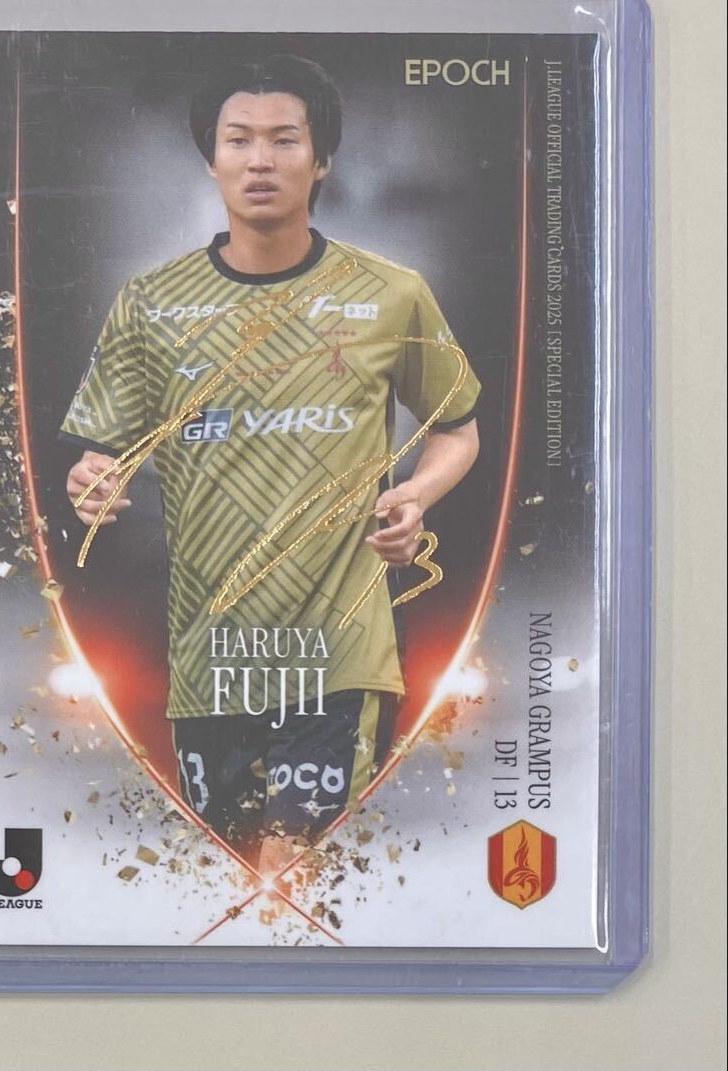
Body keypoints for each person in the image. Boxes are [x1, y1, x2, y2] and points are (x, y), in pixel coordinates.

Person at [60, 55, 480, 881]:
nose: (261, 159)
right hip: (209, 657)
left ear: (321, 159)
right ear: (210, 158)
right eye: (239, 140)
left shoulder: (390, 294)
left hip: (337, 648)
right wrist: (93, 481)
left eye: (285, 140)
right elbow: (99, 452)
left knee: (288, 873)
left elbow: (457, 431)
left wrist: (413, 495)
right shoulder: (152, 302)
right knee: (228, 876)